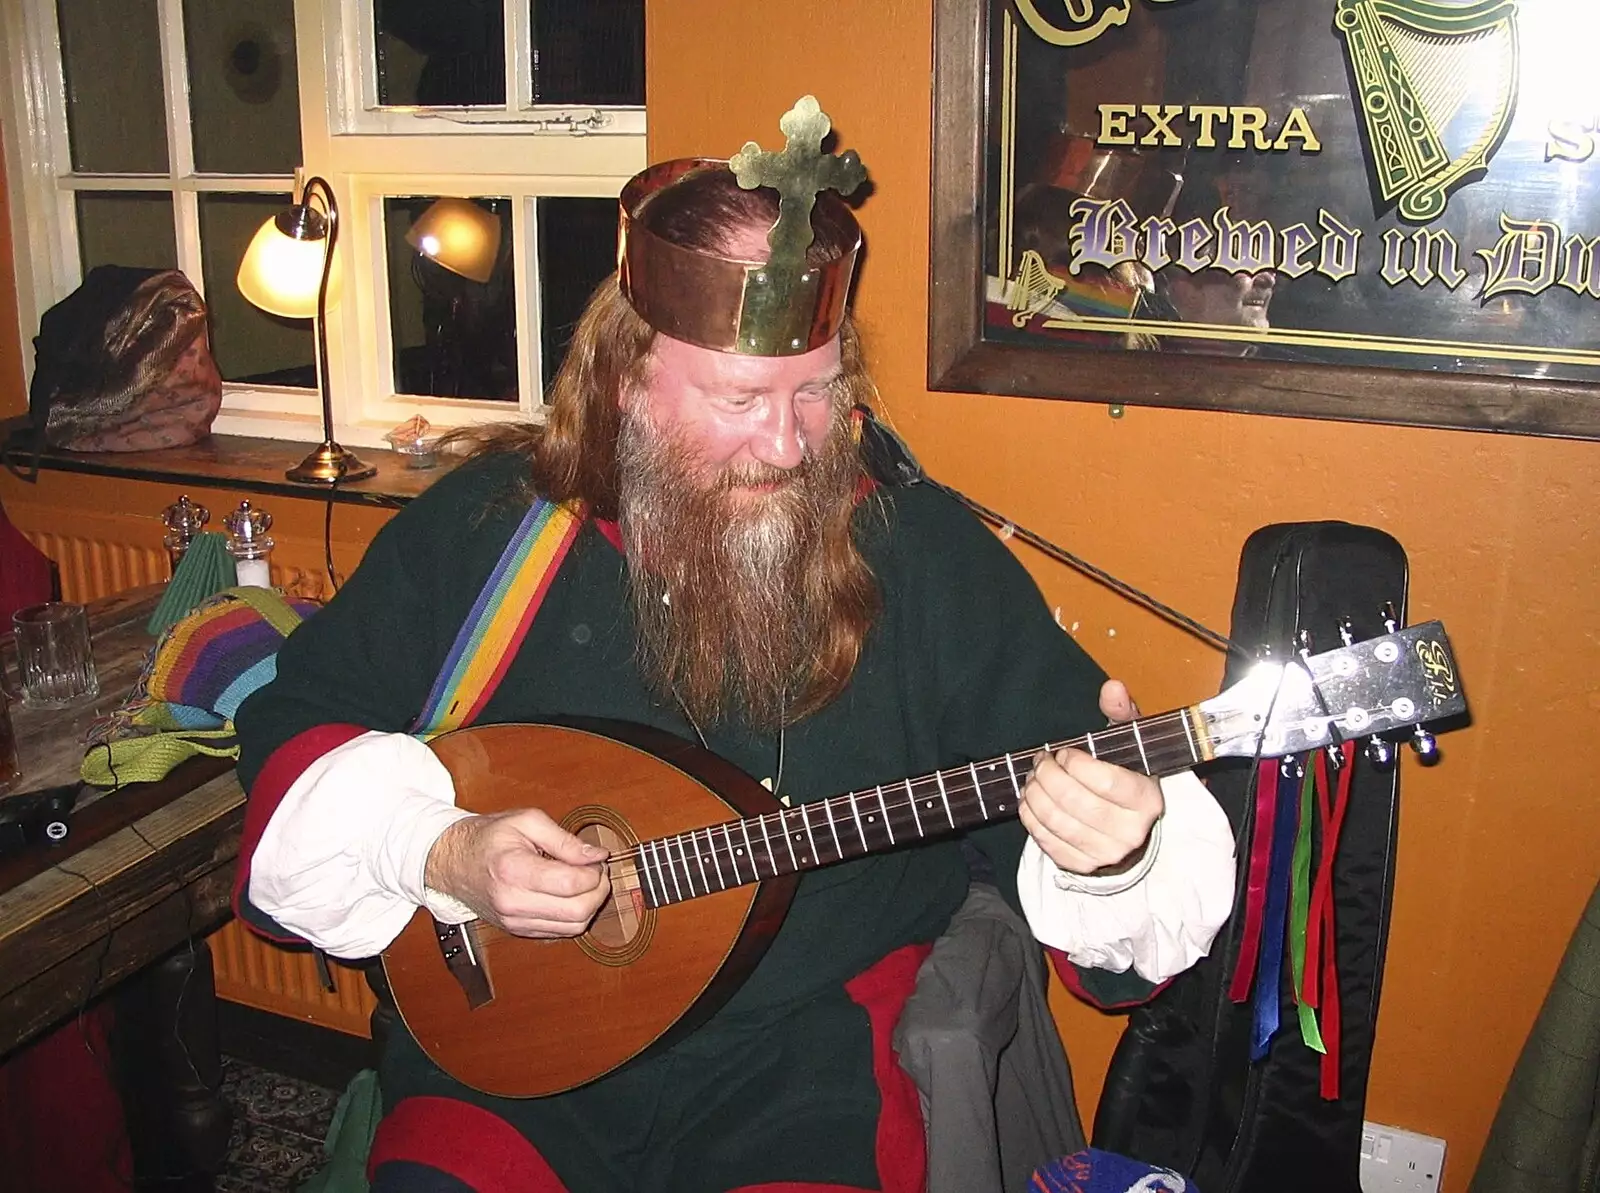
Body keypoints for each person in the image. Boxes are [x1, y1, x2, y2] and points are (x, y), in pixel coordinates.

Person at [233, 98, 1236, 1193]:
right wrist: (443, 849)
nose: (789, 443)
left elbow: (1080, 800)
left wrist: (1117, 848)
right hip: (507, 1056)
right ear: (624, 388)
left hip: (799, 1054)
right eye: (738, 396)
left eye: (817, 393)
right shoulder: (487, 531)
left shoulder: (920, 552)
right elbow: (299, 729)